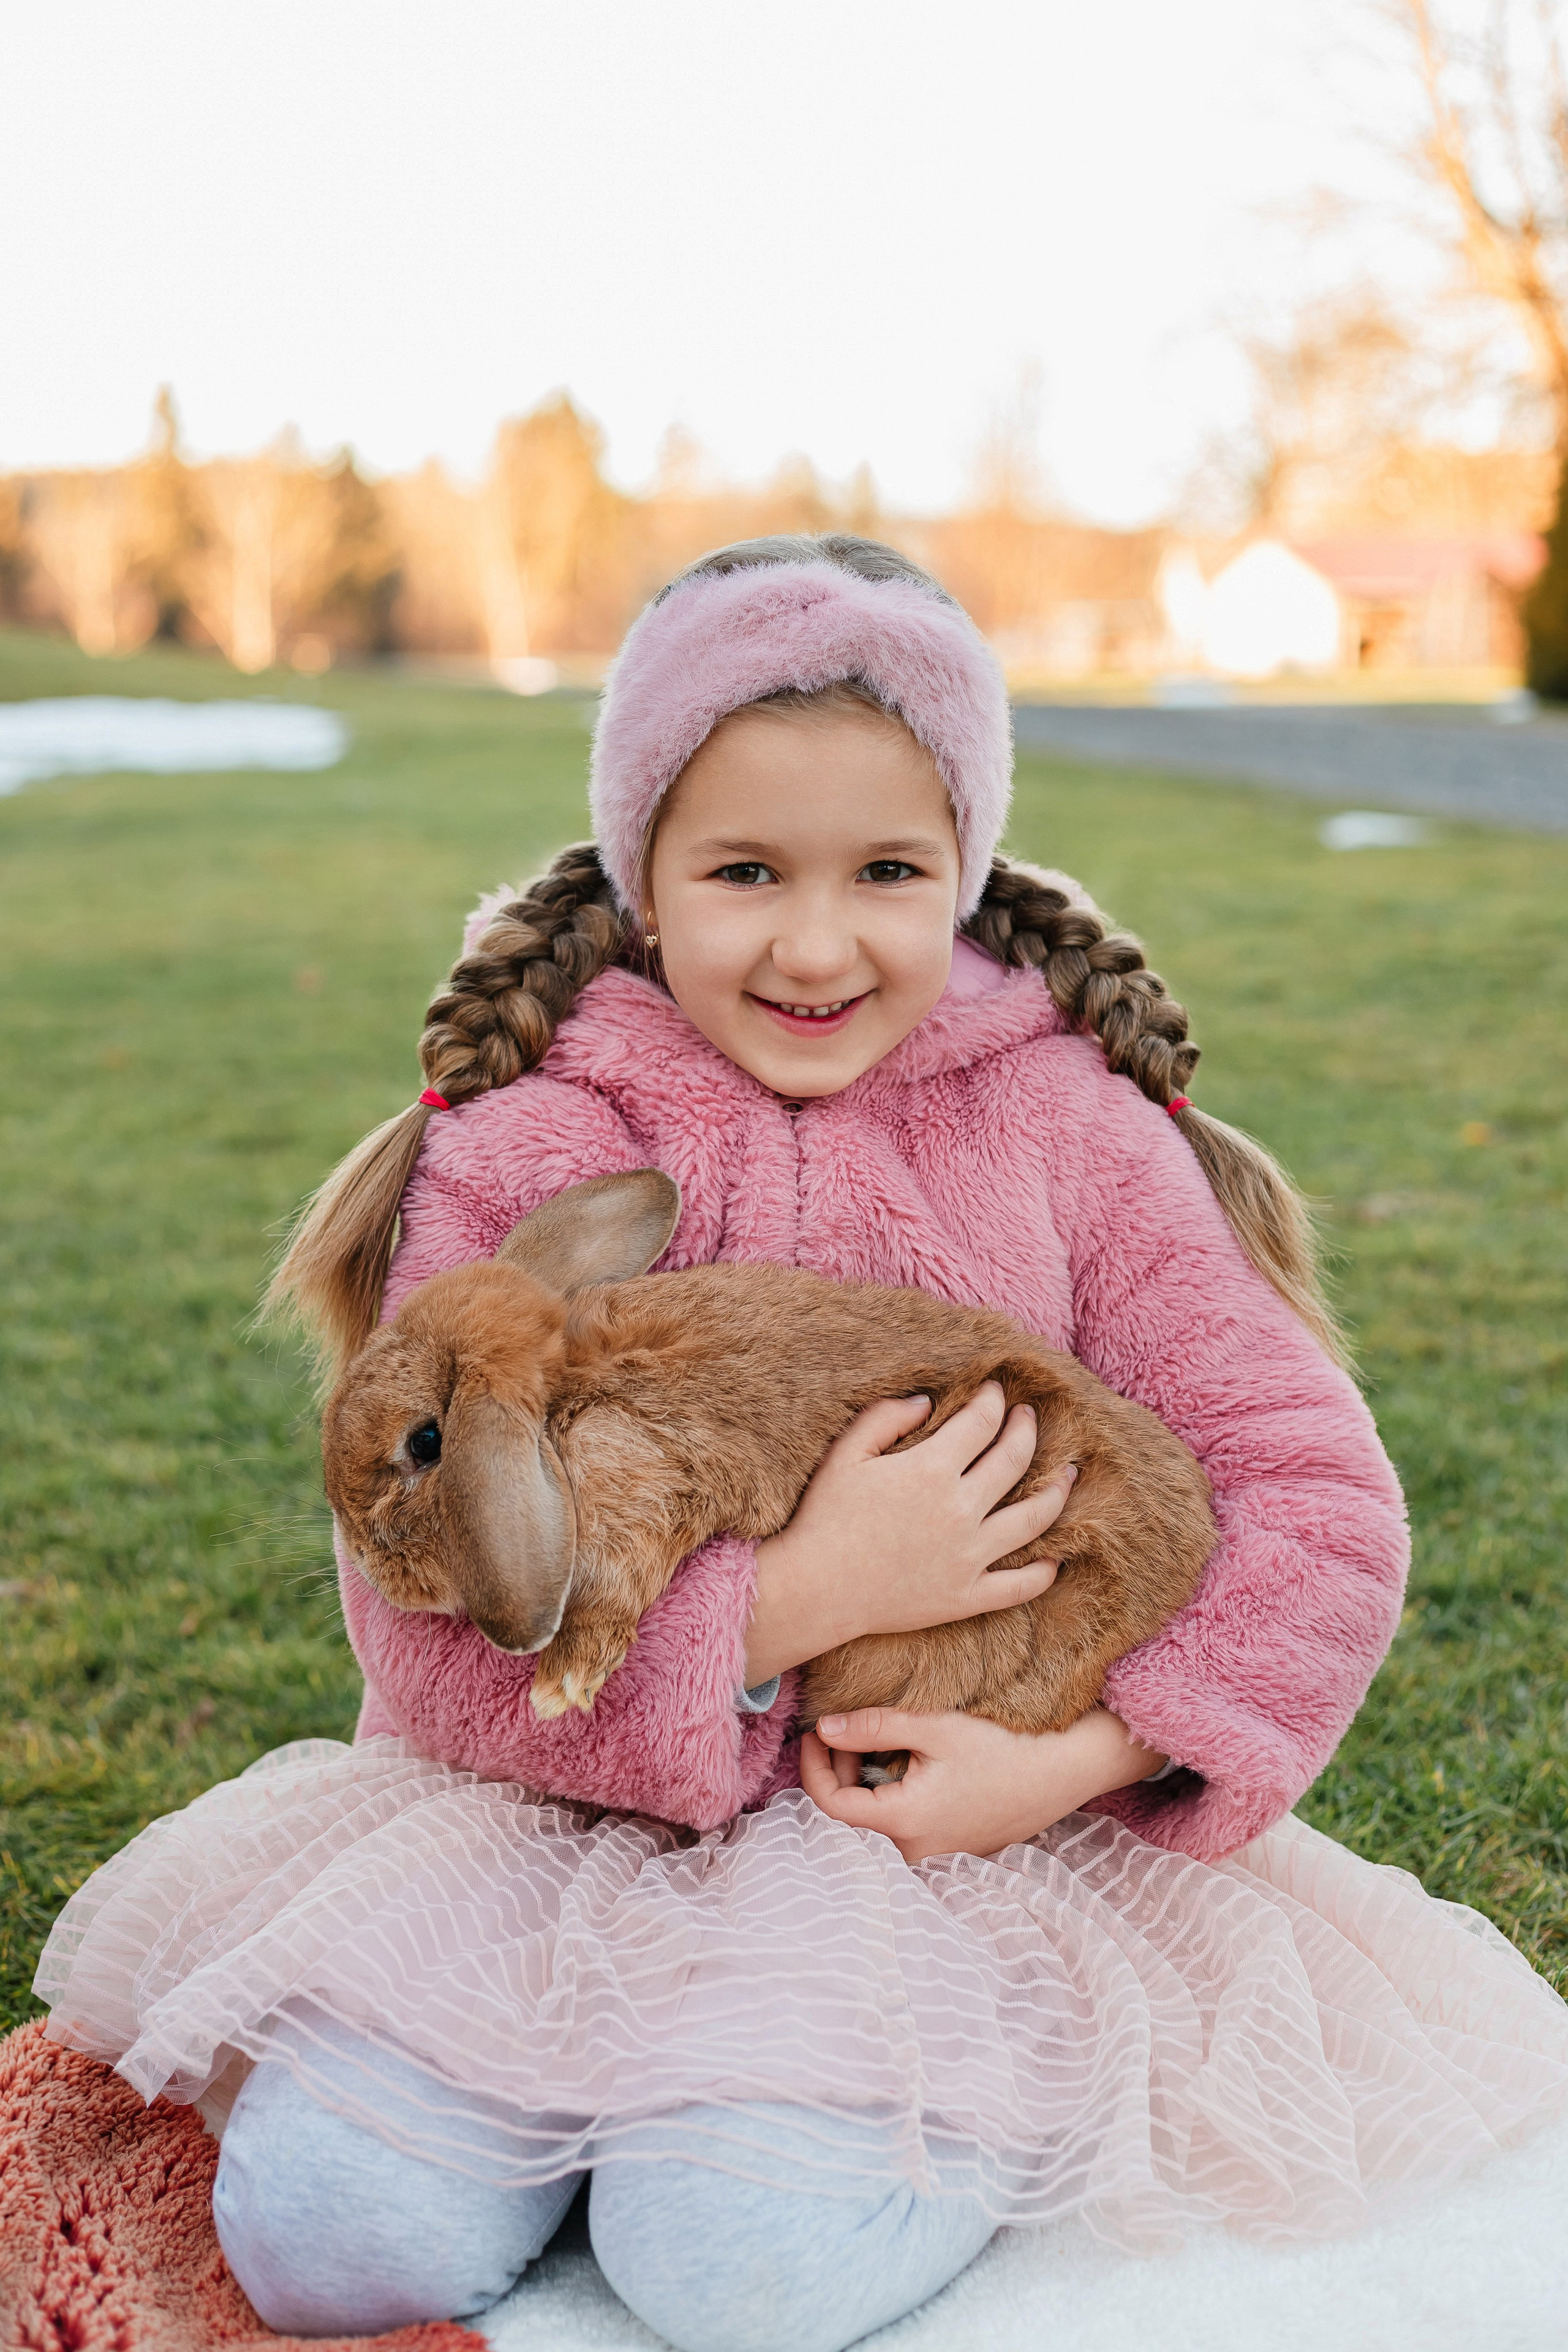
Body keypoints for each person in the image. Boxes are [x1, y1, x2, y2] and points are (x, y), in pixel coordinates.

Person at [37, 537, 1568, 2351]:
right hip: (554, 1824)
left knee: (734, 2266)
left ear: (968, 873)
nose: (818, 941)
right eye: (747, 870)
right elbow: (425, 1621)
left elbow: (1312, 1498)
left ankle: (824, 2135)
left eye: (889, 873)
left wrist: (1088, 1755)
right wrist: (781, 1605)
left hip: (936, 1865)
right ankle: (579, 2108)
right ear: (647, 877)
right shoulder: (536, 1142)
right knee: (323, 2235)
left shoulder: (1070, 1132)